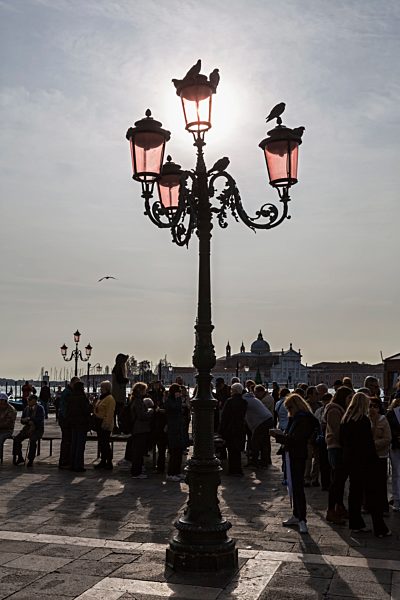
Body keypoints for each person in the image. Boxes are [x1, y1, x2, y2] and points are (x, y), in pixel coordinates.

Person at [340, 392, 390, 537]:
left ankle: (356, 524)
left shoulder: (346, 419)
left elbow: (343, 441)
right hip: (365, 462)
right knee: (372, 495)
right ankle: (380, 528)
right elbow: (368, 444)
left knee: (354, 493)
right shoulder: (363, 421)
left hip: (350, 461)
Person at [270, 393, 319, 534]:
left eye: (289, 408)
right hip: (293, 454)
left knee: (297, 487)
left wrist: (278, 436)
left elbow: (295, 439)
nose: (288, 411)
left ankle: (302, 518)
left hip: (297, 455)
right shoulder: (298, 418)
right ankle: (296, 514)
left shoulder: (302, 419)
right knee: (293, 486)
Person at [324, 386, 353, 524]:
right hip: (336, 447)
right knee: (336, 481)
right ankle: (331, 510)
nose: (350, 400)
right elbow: (337, 431)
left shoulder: (339, 409)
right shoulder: (334, 410)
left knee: (340, 481)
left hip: (339, 447)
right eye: (349, 398)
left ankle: (339, 506)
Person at [219, 383, 247, 475]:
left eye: (231, 390)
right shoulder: (244, 402)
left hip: (231, 429)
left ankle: (232, 470)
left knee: (231, 450)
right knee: (238, 450)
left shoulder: (229, 401)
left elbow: (224, 417)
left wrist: (221, 430)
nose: (230, 391)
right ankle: (238, 469)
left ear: (234, 391)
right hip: (240, 428)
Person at [369, 396, 391, 514]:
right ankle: (368, 505)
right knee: (368, 482)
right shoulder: (365, 420)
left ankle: (383, 507)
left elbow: (387, 438)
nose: (372, 409)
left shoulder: (383, 420)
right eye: (370, 406)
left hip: (380, 456)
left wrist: (373, 445)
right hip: (367, 457)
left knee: (381, 483)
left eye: (375, 406)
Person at [244, 382, 274, 468]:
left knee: (255, 442)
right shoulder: (254, 399)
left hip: (263, 422)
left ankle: (256, 462)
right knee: (263, 442)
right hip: (267, 420)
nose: (255, 394)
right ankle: (264, 461)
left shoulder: (248, 400)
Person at [128, 383, 153, 479]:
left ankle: (137, 470)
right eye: (144, 390)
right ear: (140, 390)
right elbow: (141, 415)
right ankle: (136, 472)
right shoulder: (138, 401)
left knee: (138, 451)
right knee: (138, 451)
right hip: (140, 429)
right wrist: (150, 411)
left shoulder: (134, 400)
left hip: (138, 428)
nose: (145, 392)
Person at [65, 380, 90, 472]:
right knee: (80, 445)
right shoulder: (82, 398)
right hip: (81, 424)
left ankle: (72, 464)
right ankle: (78, 465)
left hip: (73, 423)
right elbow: (86, 411)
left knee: (74, 444)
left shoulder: (71, 397)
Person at [13, 394, 45, 467]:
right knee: (16, 439)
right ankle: (20, 457)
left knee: (33, 440)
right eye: (28, 400)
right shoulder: (26, 408)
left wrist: (30, 419)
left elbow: (40, 420)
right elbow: (22, 420)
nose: (28, 401)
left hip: (38, 429)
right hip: (27, 428)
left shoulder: (40, 408)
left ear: (34, 401)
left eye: (30, 400)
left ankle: (31, 459)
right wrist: (25, 420)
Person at [165, 383, 186, 481]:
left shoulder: (175, 400)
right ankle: (171, 473)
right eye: (179, 392)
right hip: (173, 428)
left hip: (178, 428)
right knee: (173, 452)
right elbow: (175, 408)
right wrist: (178, 400)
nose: (180, 394)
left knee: (179, 451)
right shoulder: (169, 401)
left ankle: (177, 472)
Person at [58, 376, 80, 469]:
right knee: (67, 440)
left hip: (65, 419)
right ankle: (64, 461)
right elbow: (64, 407)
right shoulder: (68, 393)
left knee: (67, 440)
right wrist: (67, 417)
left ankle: (65, 460)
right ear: (73, 383)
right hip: (66, 420)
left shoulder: (67, 391)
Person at [93, 380, 115, 470]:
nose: (100, 389)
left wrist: (105, 424)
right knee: (102, 443)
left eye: (102, 387)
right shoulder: (102, 398)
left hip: (105, 424)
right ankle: (103, 460)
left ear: (106, 388)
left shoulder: (110, 399)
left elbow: (109, 413)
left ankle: (108, 461)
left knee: (105, 443)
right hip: (99, 422)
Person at [314, 392, 332, 491]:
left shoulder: (329, 410)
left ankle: (328, 482)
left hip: (328, 439)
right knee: (323, 463)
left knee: (328, 463)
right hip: (322, 440)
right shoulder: (319, 411)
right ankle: (325, 483)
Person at [304, 386, 321, 487]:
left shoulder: (320, 405)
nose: (318, 396)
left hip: (317, 435)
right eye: (316, 394)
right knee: (308, 457)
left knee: (318, 458)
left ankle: (315, 478)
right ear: (309, 395)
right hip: (308, 436)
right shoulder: (304, 406)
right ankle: (306, 478)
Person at [386, 397, 400, 511]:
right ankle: (397, 498)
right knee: (396, 473)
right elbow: (389, 430)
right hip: (395, 446)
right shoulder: (391, 414)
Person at [111, 353, 129, 433]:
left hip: (116, 394)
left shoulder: (116, 368)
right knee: (120, 412)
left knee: (116, 412)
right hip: (118, 395)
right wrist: (127, 380)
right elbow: (120, 380)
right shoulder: (118, 369)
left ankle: (116, 426)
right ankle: (120, 427)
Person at [0, 392, 17, 457]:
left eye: (1, 401)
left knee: (0, 438)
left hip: (7, 430)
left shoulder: (11, 410)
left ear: (5, 401)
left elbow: (8, 423)